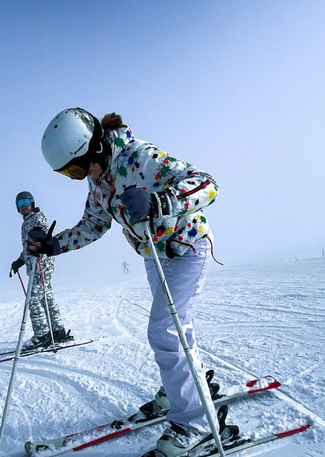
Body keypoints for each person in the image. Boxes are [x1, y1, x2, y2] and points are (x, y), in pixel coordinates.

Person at [27, 109, 222, 457]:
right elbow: (93, 224)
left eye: (78, 167)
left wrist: (161, 200)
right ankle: (183, 388)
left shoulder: (139, 157)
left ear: (96, 147)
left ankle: (198, 425)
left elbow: (207, 183)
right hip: (155, 255)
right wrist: (54, 245)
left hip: (185, 246)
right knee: (176, 329)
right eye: (70, 172)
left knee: (165, 331)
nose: (79, 176)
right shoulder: (98, 179)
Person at [10, 191, 73, 351]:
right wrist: (19, 261)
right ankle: (58, 331)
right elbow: (29, 247)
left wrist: (39, 236)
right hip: (39, 265)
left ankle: (42, 335)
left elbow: (42, 235)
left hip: (40, 265)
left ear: (32, 202)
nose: (23, 206)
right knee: (47, 299)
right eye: (19, 204)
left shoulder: (37, 217)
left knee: (33, 299)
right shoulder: (27, 222)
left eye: (25, 202)